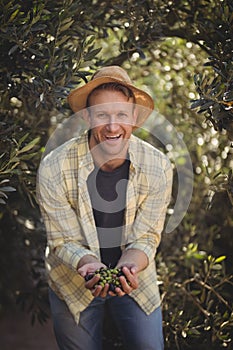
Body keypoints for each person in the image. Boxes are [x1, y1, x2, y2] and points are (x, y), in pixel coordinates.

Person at [37, 65, 173, 350]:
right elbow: (63, 241)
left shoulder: (158, 165)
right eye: (102, 115)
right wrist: (89, 265)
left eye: (121, 115)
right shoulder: (54, 167)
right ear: (87, 117)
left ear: (134, 118)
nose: (112, 126)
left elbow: (147, 236)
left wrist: (129, 267)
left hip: (136, 280)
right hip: (73, 282)